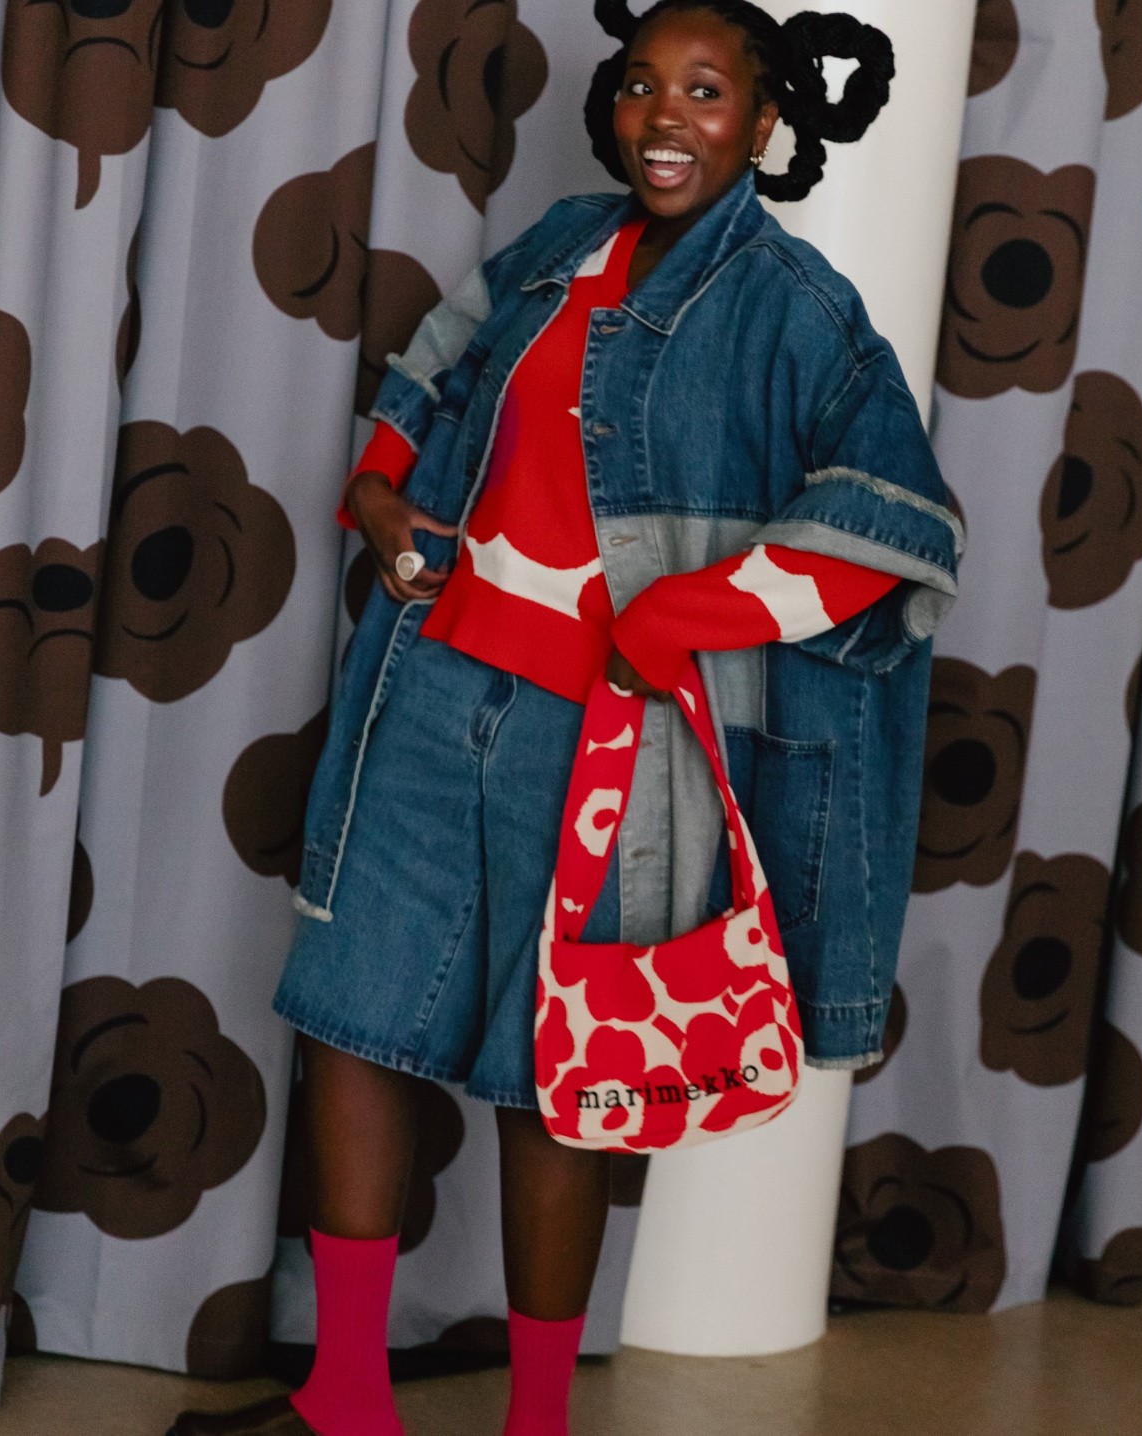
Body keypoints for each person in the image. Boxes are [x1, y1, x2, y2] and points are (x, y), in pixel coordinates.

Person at [169, 2, 958, 1433]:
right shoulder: (562, 246)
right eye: (645, 86)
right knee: (353, 1022)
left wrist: (686, 616)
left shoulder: (798, 308)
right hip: (433, 687)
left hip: (600, 734)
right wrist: (381, 487)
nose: (666, 119)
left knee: (557, 1069)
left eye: (708, 92)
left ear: (767, 123)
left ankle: (539, 1422)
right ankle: (347, 1397)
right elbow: (445, 358)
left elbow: (898, 524)